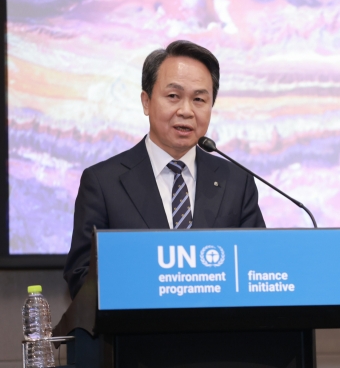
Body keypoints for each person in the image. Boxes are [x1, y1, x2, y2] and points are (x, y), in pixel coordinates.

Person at [63, 40, 266, 299]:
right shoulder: (103, 183)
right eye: (173, 96)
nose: (186, 111)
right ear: (146, 102)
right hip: (136, 335)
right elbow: (82, 276)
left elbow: (257, 269)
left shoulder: (237, 182)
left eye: (199, 99)